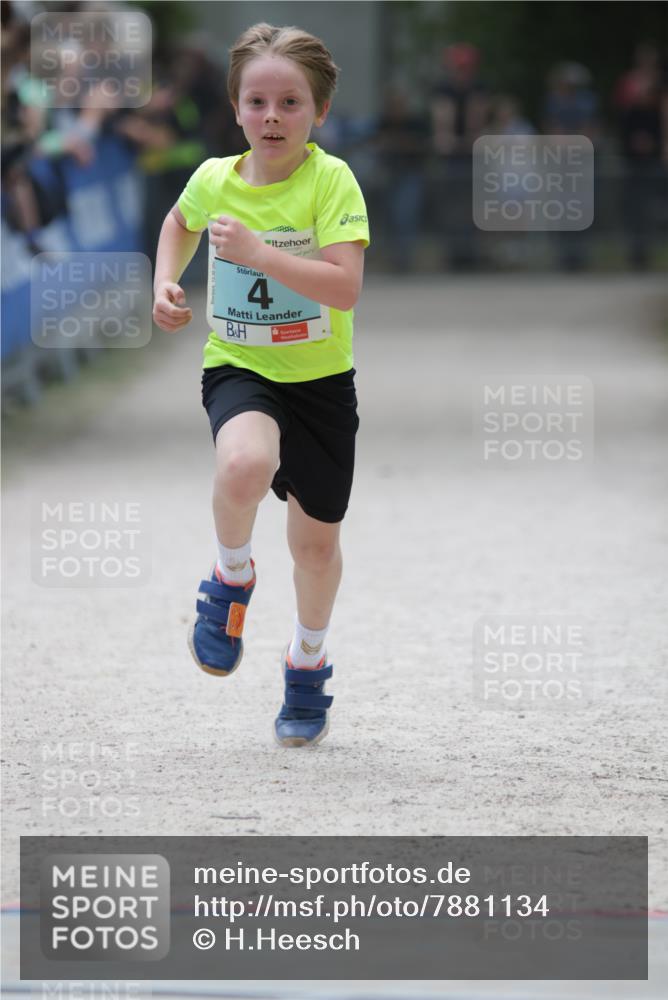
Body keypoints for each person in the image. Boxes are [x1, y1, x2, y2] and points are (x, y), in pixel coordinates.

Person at [152, 23, 369, 748]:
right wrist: (165, 283)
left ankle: (308, 660)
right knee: (244, 463)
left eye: (290, 103)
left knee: (314, 548)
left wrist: (258, 253)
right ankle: (231, 577)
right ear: (236, 108)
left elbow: (344, 288)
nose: (272, 116)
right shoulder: (215, 178)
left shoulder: (331, 181)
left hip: (320, 383)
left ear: (319, 113)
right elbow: (178, 224)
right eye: (257, 101)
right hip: (240, 366)